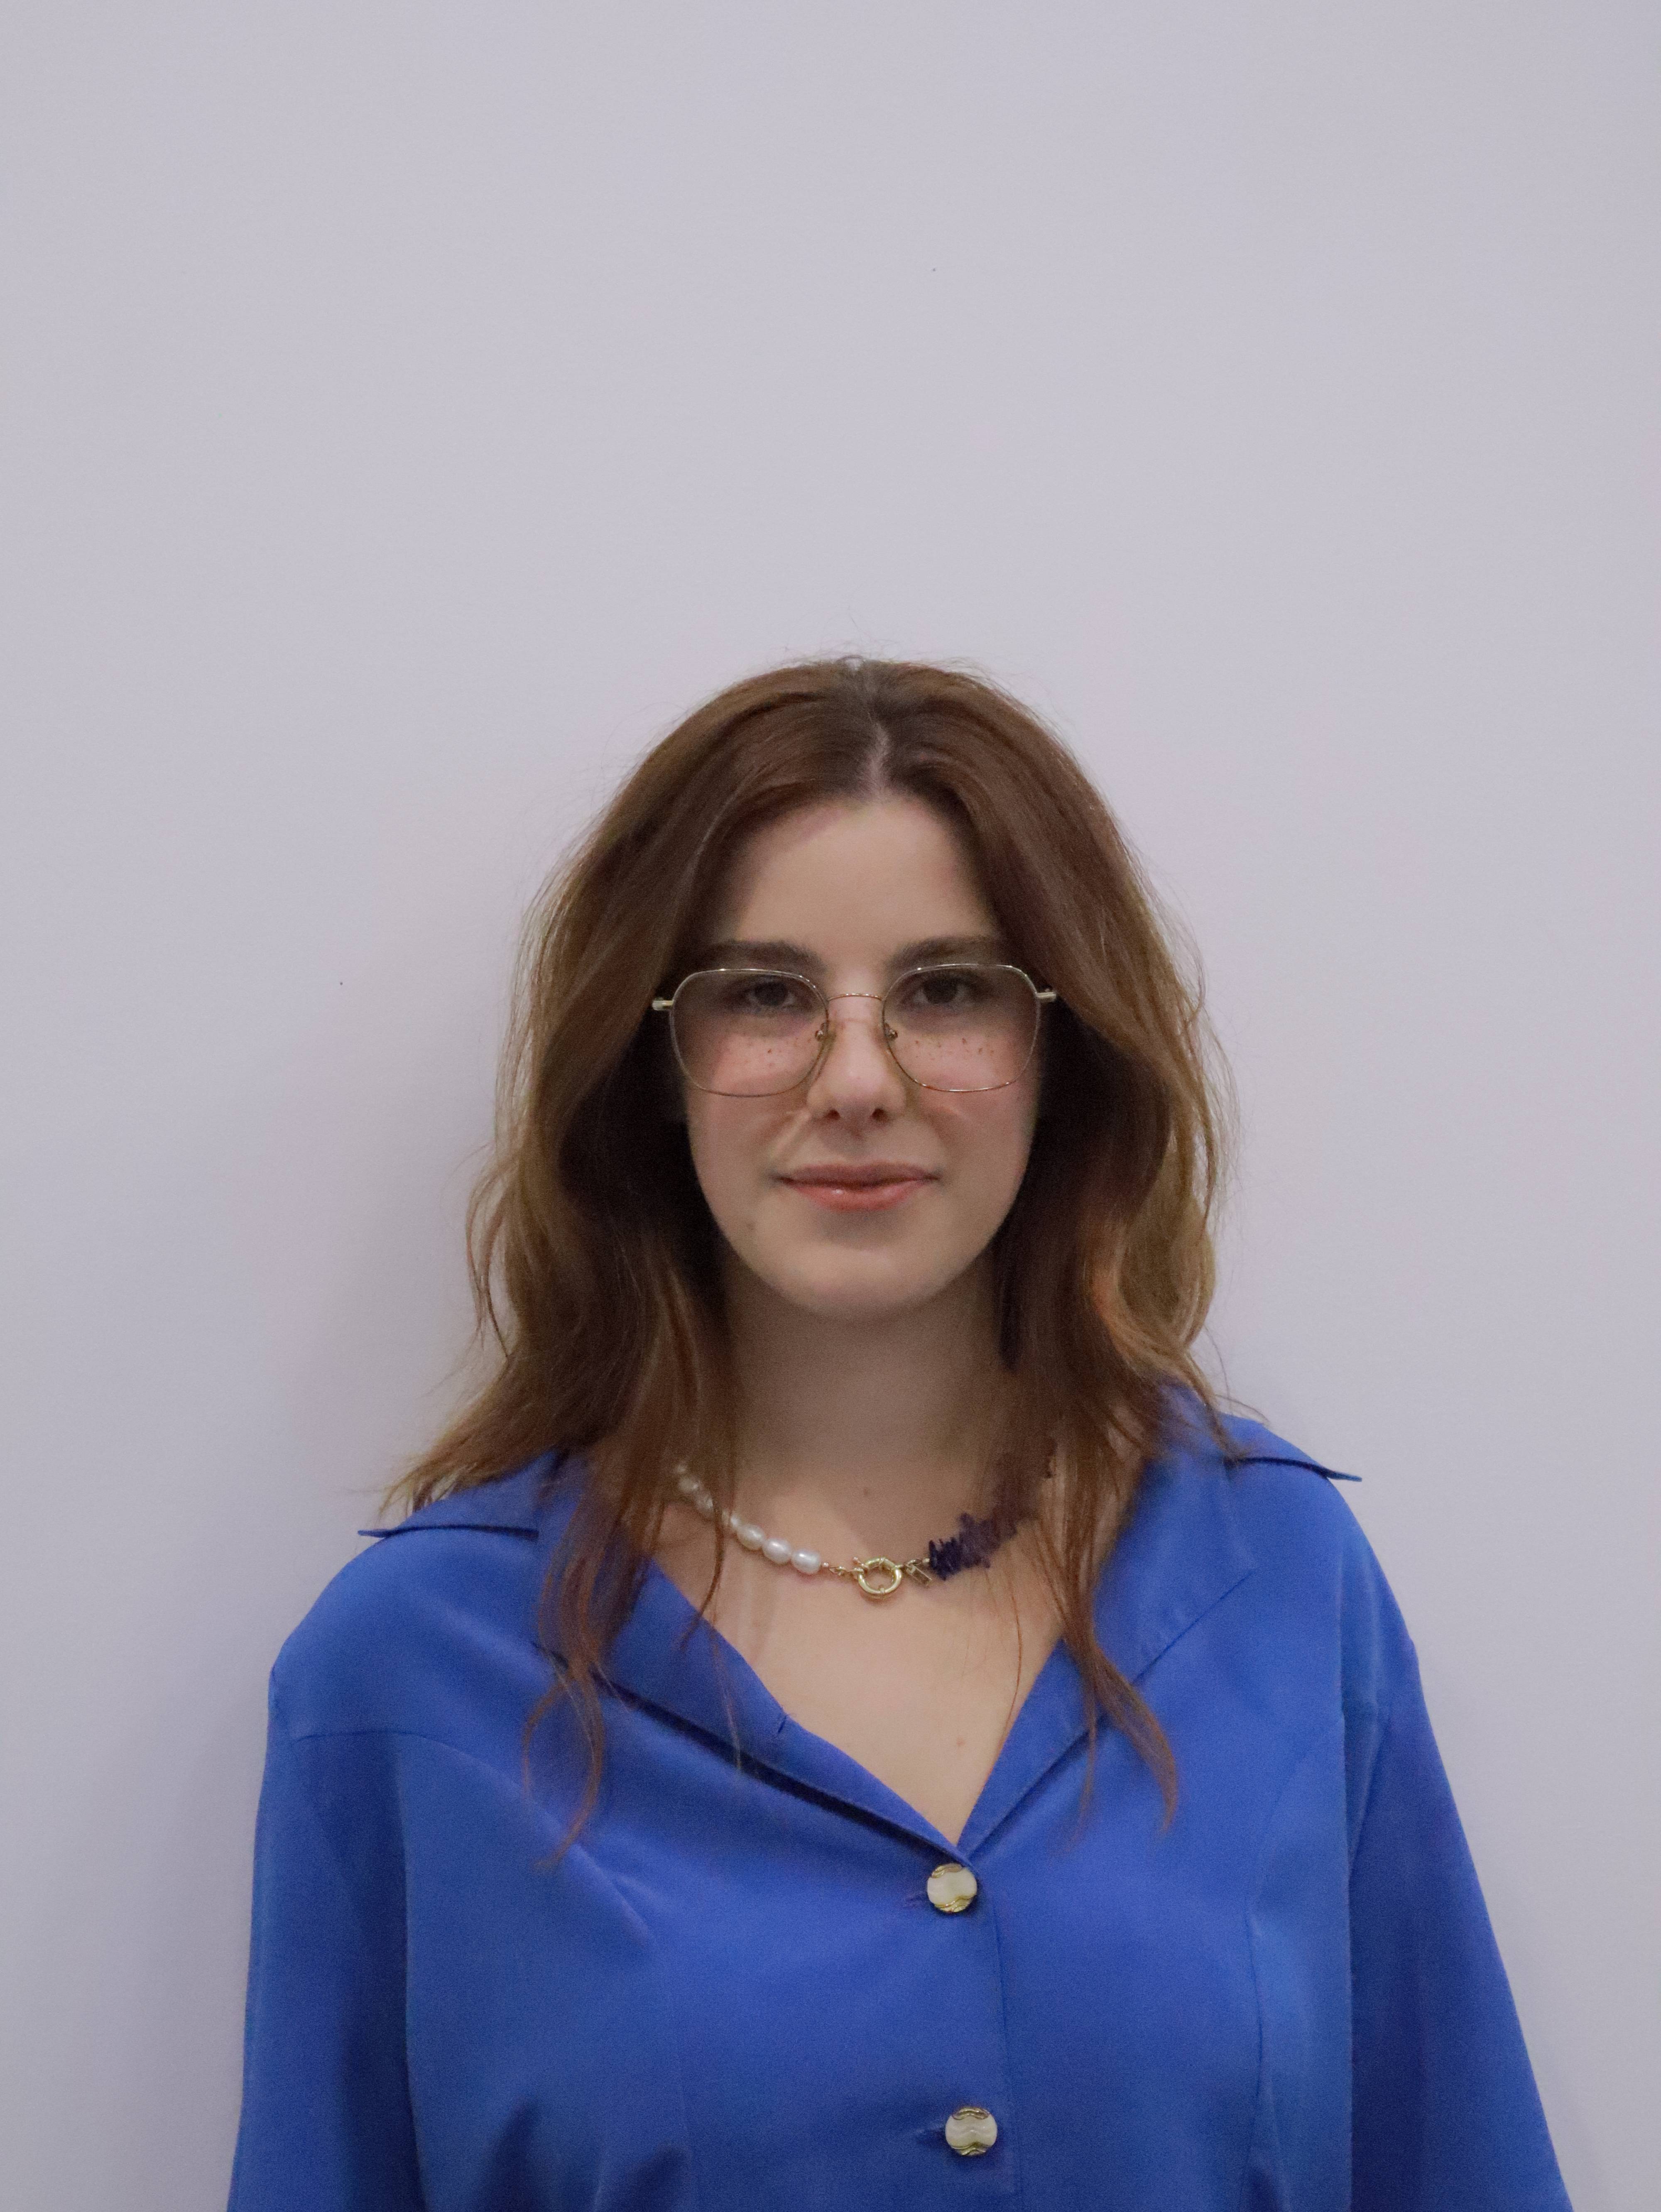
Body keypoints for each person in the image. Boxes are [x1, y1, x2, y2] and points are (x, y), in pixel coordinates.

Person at [227, 658, 1571, 2211]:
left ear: (1063, 1049)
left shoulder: (1277, 1579)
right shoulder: (411, 1671)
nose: (858, 1081)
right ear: (652, 1061)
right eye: (763, 994)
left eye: (948, 990)